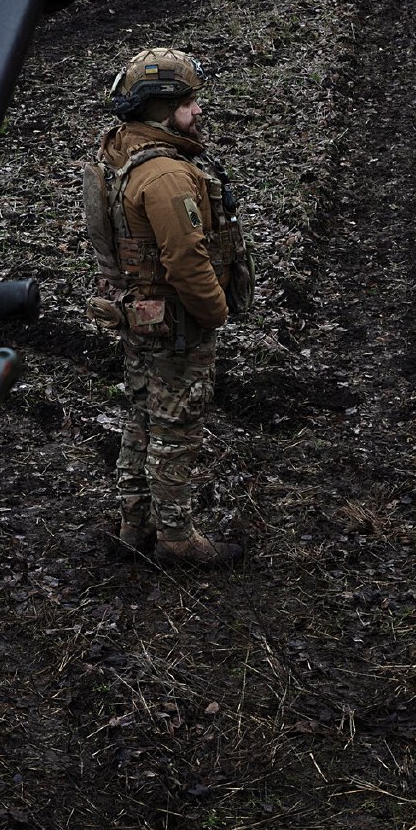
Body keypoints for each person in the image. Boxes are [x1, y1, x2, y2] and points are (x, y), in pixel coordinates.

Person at [84, 47, 252, 568]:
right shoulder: (165, 176)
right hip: (175, 323)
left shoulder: (118, 155)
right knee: (176, 428)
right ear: (161, 108)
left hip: (140, 315)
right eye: (187, 102)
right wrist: (215, 313)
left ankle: (134, 524)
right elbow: (185, 259)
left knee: (141, 418)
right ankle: (176, 538)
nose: (198, 110)